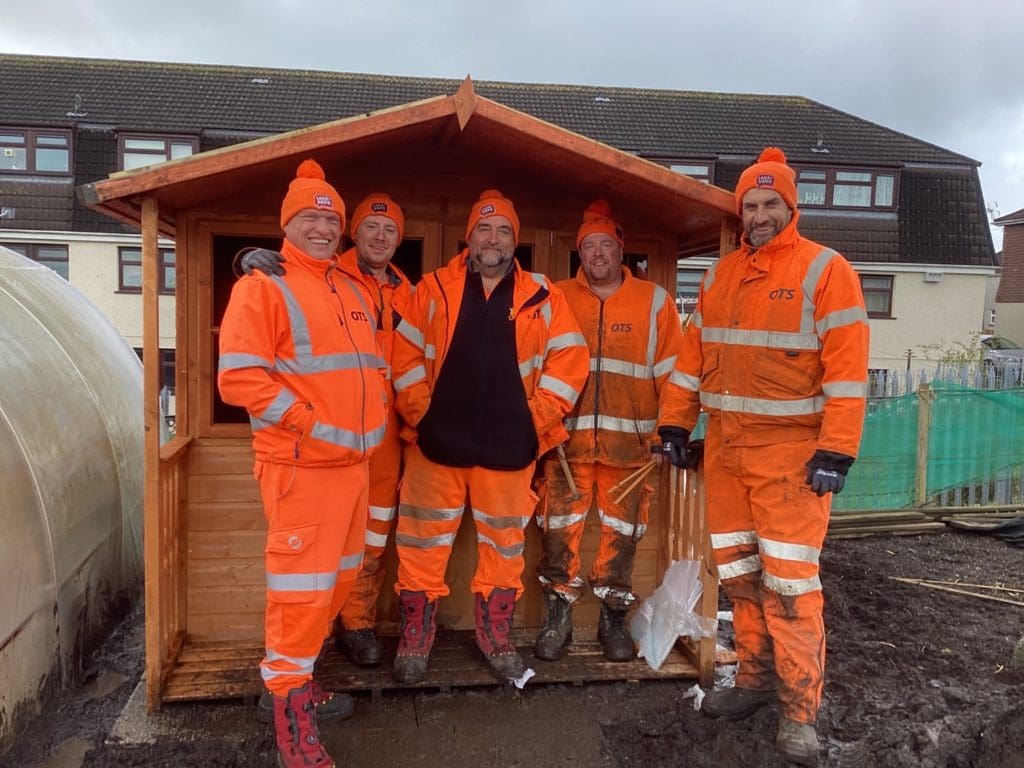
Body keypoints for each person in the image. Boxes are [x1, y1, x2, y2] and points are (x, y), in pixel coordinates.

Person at [665, 147, 869, 766]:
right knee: (741, 578)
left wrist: (837, 448)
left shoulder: (826, 271)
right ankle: (753, 681)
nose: (757, 215)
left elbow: (848, 371)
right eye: (749, 206)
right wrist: (675, 424)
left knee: (790, 586)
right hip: (727, 454)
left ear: (790, 206)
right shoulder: (722, 276)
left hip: (791, 464)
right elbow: (691, 359)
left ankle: (799, 712)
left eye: (768, 204)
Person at [218, 159, 387, 768]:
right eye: (308, 218)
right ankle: (292, 727)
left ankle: (301, 685)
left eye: (329, 218)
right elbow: (238, 377)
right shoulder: (262, 286)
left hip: (352, 469)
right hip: (303, 469)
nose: (321, 227)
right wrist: (305, 422)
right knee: (301, 596)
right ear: (287, 223)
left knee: (335, 587)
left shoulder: (347, 286)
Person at [388, 189, 590, 684]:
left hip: (509, 447)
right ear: (469, 236)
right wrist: (425, 415)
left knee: (504, 549)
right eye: (484, 228)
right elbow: (403, 357)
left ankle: (495, 635)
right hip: (436, 445)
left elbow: (570, 361)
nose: (492, 238)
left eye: (503, 231)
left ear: (514, 241)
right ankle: (416, 636)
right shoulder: (432, 288)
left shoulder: (544, 296)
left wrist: (533, 420)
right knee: (420, 543)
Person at [239, 193, 415, 668]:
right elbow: (285, 295)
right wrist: (247, 258)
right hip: (319, 444)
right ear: (352, 234)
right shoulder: (334, 277)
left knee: (370, 537)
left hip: (385, 435)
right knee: (311, 559)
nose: (380, 237)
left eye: (391, 230)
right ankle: (296, 666)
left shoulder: (408, 291)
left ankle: (355, 624)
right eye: (371, 228)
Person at [533, 200, 690, 662]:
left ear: (621, 250)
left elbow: (674, 375)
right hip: (566, 446)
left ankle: (612, 620)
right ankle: (556, 617)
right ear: (578, 252)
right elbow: (535, 366)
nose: (597, 254)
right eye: (589, 247)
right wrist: (543, 425)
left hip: (632, 451)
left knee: (622, 536)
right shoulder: (555, 297)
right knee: (557, 531)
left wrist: (669, 432)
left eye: (606, 245)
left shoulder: (654, 302)